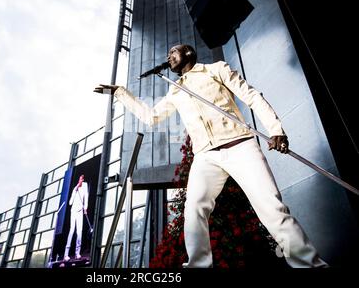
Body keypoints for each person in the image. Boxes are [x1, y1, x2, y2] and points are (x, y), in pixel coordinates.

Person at [94, 44, 328, 268]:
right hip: (205, 156)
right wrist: (120, 93)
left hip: (240, 145)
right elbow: (151, 116)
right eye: (167, 55)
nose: (169, 57)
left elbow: (252, 96)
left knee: (272, 210)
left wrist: (276, 130)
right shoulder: (175, 90)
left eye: (173, 51)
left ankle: (310, 265)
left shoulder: (216, 69)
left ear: (188, 52)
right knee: (194, 209)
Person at [63, 174, 88, 261]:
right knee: (72, 230)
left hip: (80, 211)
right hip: (73, 211)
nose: (80, 181)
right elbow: (70, 202)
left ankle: (78, 253)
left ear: (83, 180)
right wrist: (76, 188)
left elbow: (86, 197)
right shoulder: (75, 188)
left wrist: (85, 208)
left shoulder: (85, 186)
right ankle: (66, 254)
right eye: (79, 180)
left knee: (79, 232)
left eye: (81, 180)